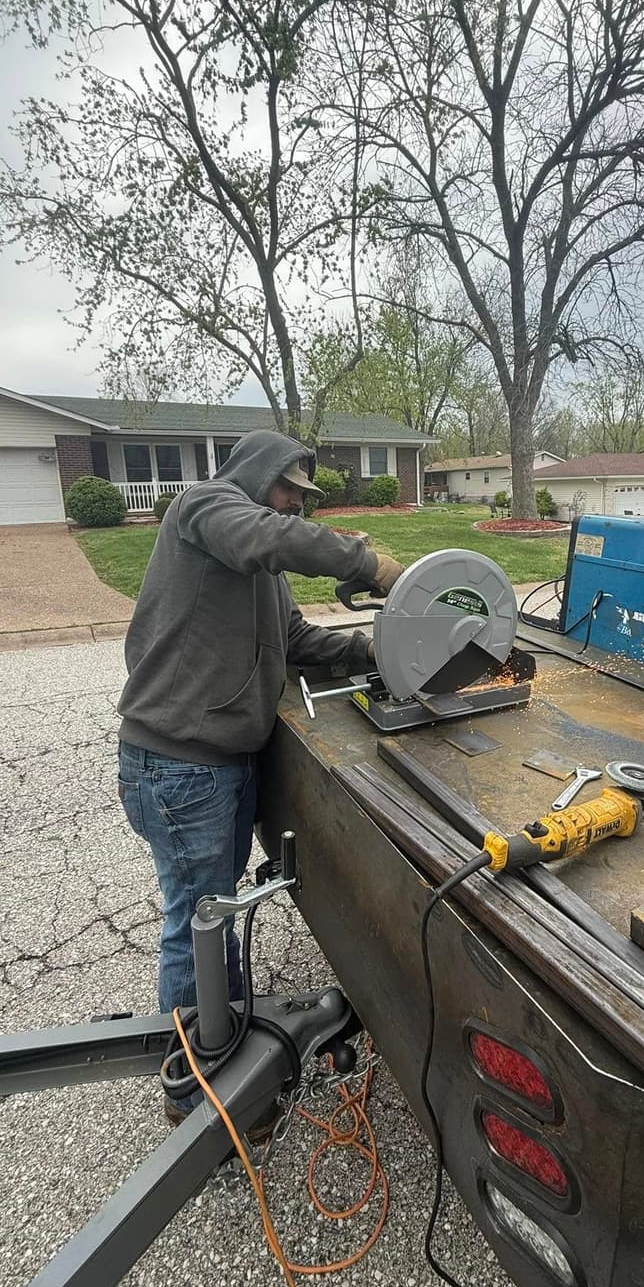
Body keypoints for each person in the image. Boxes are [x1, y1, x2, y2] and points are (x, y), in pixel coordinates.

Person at [116, 430, 403, 1118]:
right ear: (255, 474)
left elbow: (298, 640)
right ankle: (197, 1094)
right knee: (200, 924)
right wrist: (372, 564)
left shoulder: (258, 566)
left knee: (212, 911)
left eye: (303, 497)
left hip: (218, 762)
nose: (294, 506)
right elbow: (267, 536)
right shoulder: (204, 507)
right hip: (180, 763)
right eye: (287, 490)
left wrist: (377, 651)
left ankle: (227, 1047)